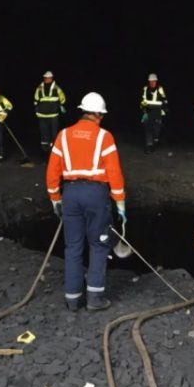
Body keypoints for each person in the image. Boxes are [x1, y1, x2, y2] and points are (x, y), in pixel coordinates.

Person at [46, 92, 127, 311]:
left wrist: (55, 198)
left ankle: (72, 299)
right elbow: (114, 173)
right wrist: (119, 202)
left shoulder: (63, 135)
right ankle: (95, 299)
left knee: (72, 247)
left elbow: (52, 170)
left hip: (70, 194)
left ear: (83, 111)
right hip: (96, 194)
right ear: (99, 114)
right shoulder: (104, 137)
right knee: (99, 245)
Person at [33, 71, 67, 156]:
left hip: (53, 115)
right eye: (45, 78)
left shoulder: (57, 88)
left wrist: (60, 106)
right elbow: (35, 99)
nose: (46, 79)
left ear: (51, 78)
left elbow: (62, 99)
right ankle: (44, 153)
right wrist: (36, 109)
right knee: (44, 134)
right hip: (42, 115)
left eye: (48, 78)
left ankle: (54, 151)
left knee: (54, 134)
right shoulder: (39, 88)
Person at [140, 73, 168, 153]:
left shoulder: (160, 89)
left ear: (156, 81)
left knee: (156, 130)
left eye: (153, 81)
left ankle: (155, 141)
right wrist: (144, 111)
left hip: (157, 112)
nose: (152, 83)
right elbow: (143, 101)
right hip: (148, 112)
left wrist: (165, 108)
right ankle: (149, 146)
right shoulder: (145, 89)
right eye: (150, 81)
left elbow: (164, 99)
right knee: (148, 129)